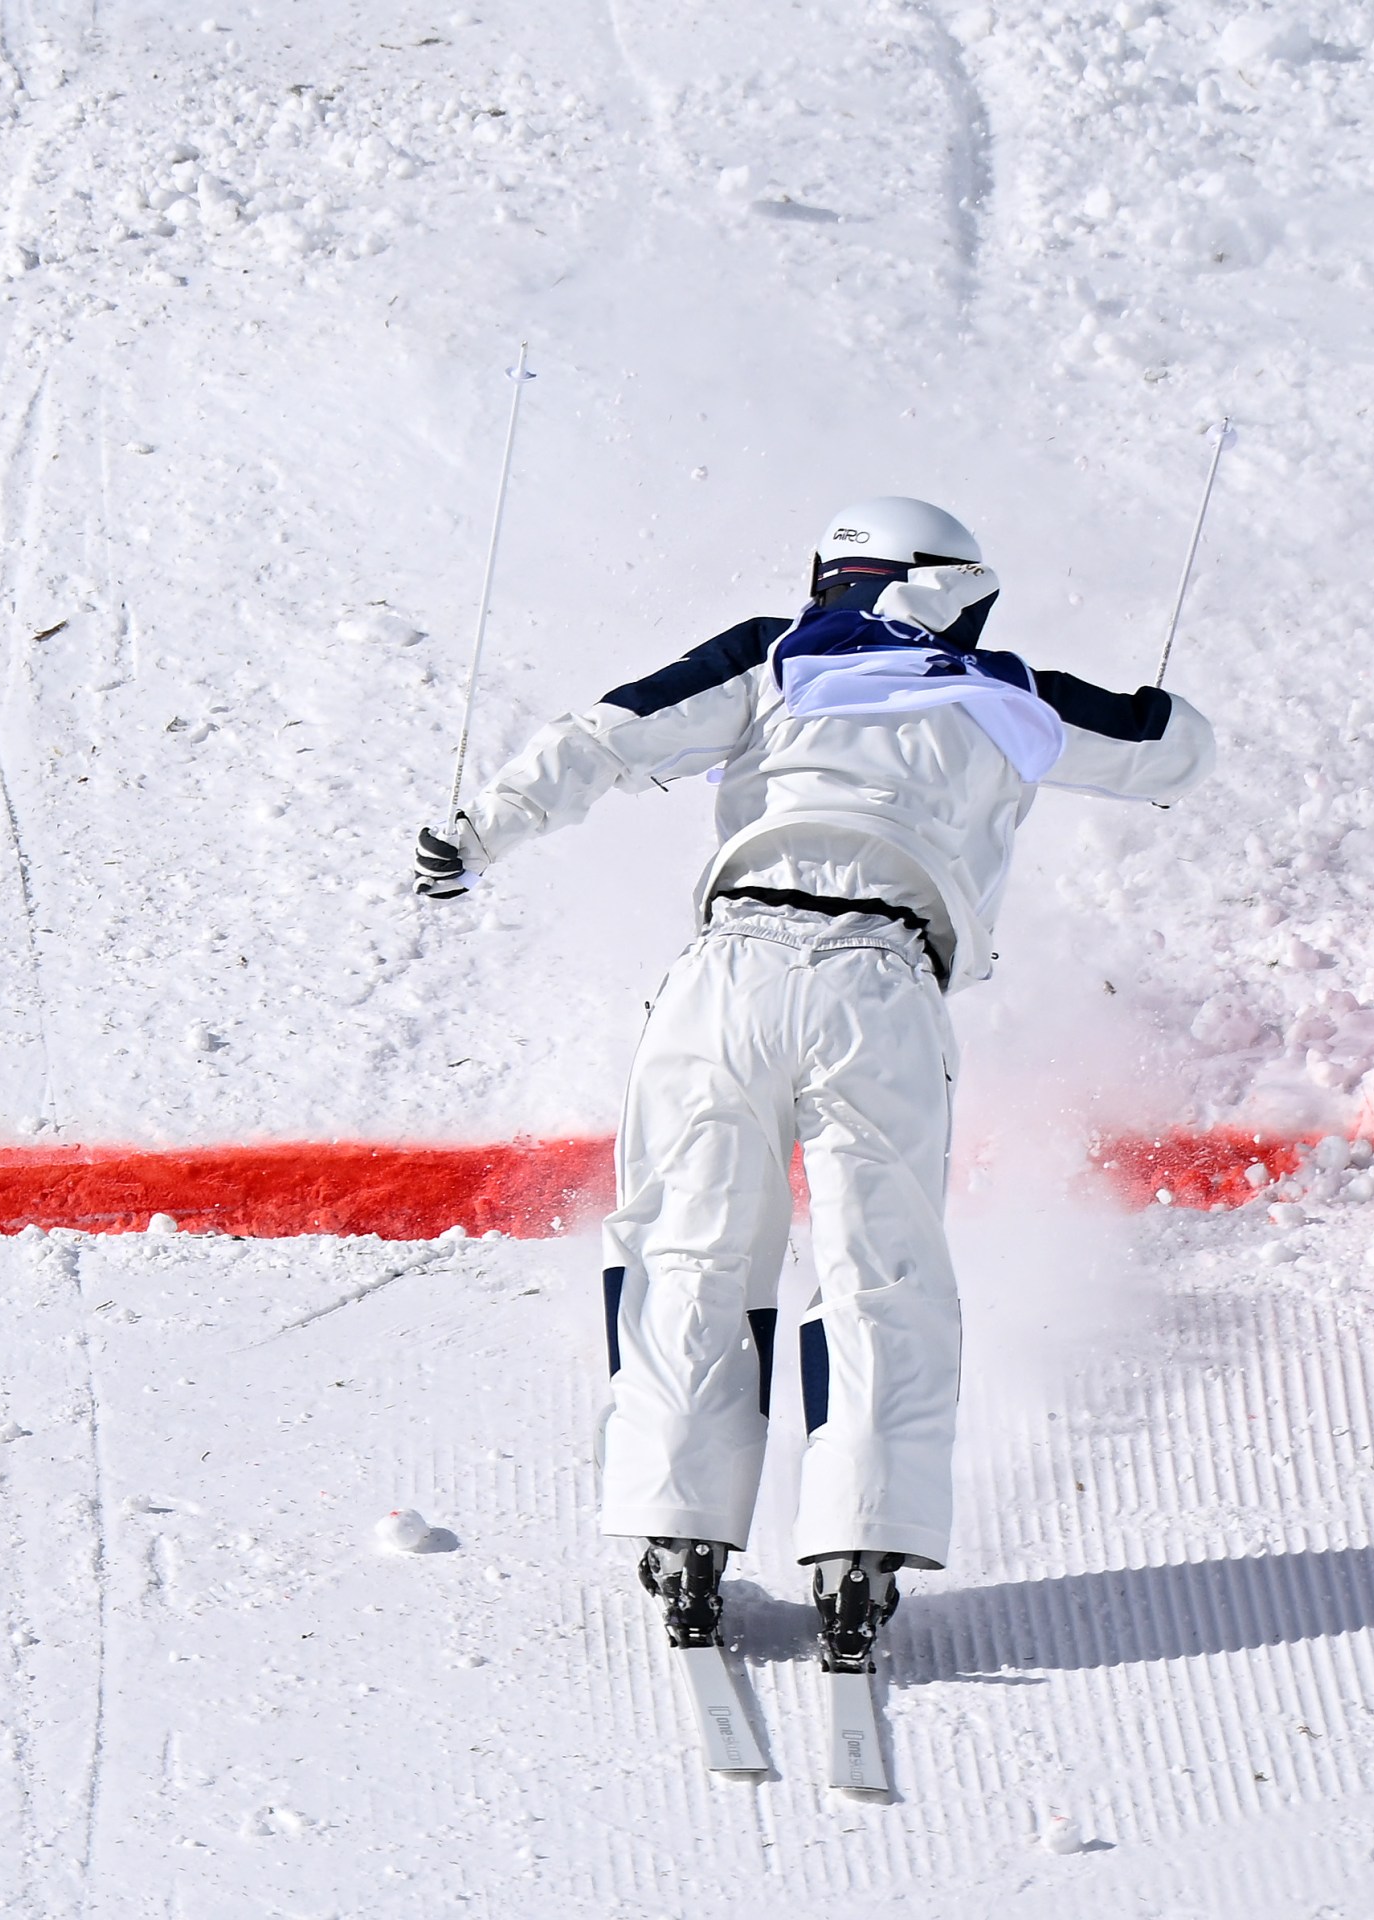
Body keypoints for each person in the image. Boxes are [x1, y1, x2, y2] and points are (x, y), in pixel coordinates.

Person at [412, 496, 1215, 1670]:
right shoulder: (1013, 693)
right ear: (959, 581)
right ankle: (862, 1548)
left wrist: (479, 834)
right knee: (878, 1266)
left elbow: (606, 735)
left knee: (689, 1244)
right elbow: (1177, 749)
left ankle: (681, 1527)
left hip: (731, 968)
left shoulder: (773, 655)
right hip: (883, 981)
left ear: (837, 575)